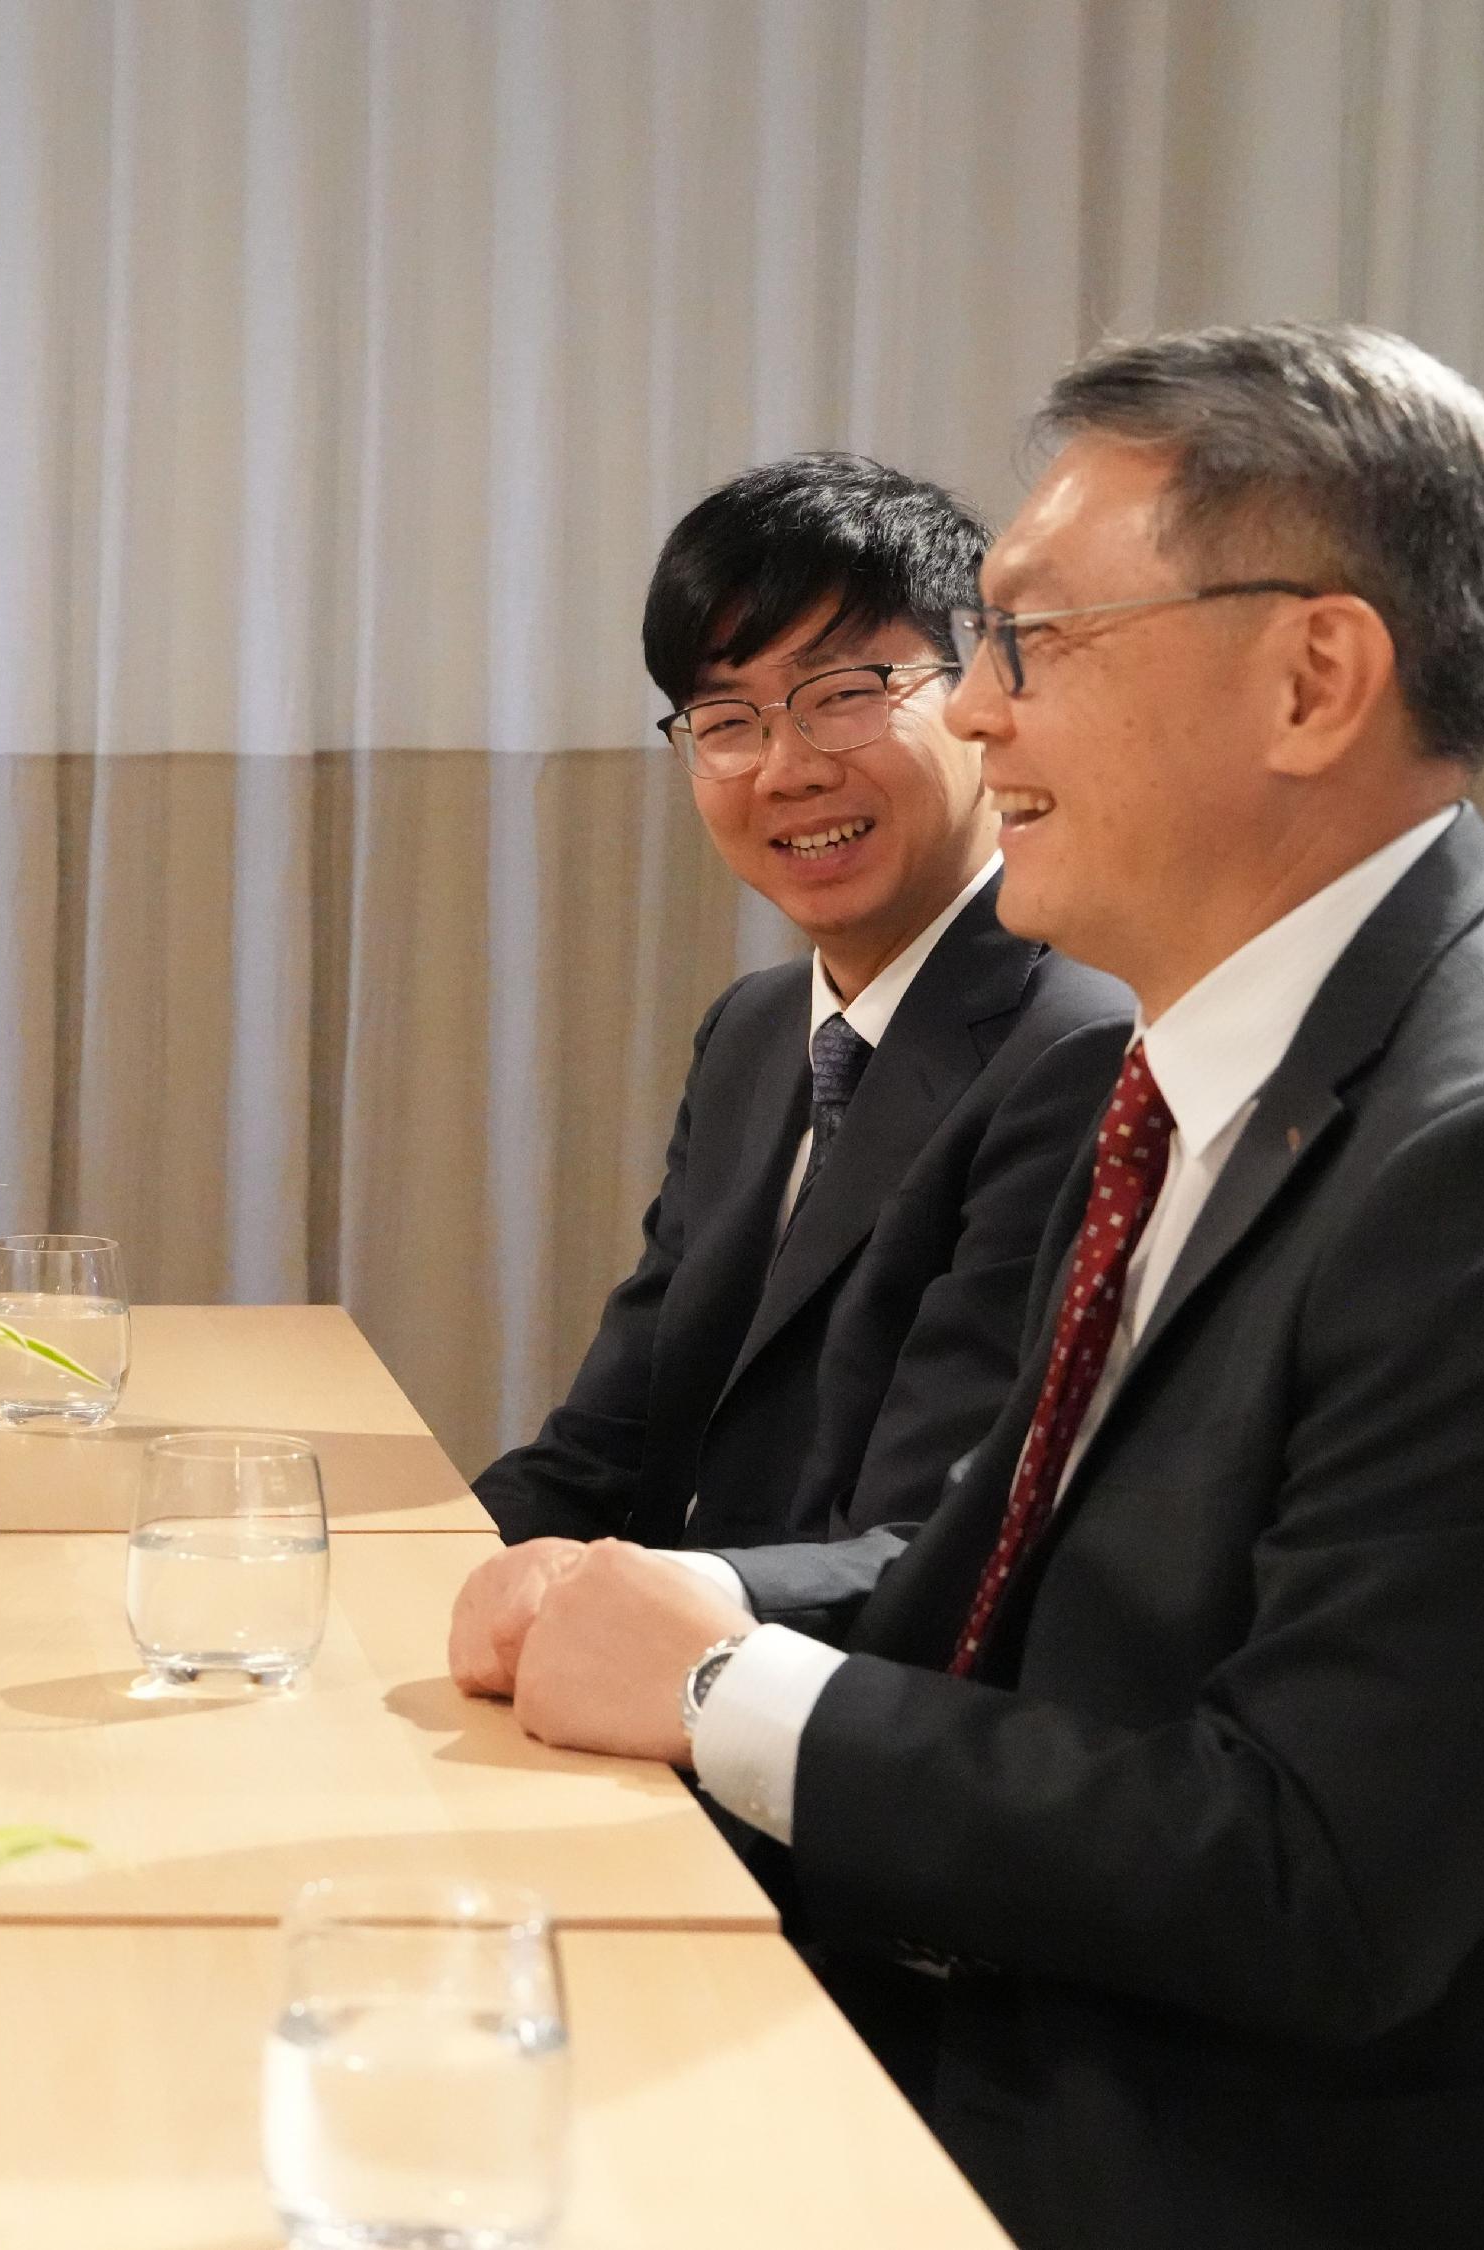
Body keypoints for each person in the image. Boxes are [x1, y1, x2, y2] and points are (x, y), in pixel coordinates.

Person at [500, 322, 1484, 2250]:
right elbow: (992, 1573)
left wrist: (723, 1686)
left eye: (1029, 646)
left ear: (1314, 677)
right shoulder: (1199, 1063)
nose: (974, 718)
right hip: (1013, 2045)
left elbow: (1312, 1874)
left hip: (1203, 2167)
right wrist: (674, 1607)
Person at [450, 456, 1131, 1692]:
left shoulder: (1075, 1045)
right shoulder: (759, 1032)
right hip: (647, 1683)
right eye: (726, 720)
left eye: (846, 692)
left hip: (828, 1730)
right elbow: (607, 1443)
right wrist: (408, 1572)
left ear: (979, 690)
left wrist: (641, 1610)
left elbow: (946, 1547)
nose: (787, 766)